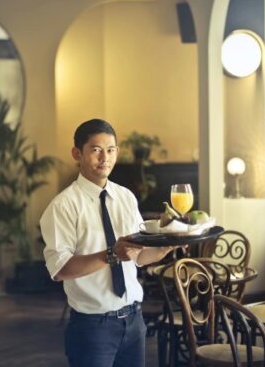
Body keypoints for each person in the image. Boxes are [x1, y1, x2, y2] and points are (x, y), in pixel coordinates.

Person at [40, 119, 176, 367]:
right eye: (96, 150)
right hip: (93, 327)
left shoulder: (125, 197)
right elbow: (60, 270)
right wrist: (111, 254)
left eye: (111, 150)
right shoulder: (63, 206)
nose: (105, 157)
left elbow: (138, 257)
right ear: (77, 153)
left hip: (134, 321)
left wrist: (168, 245)